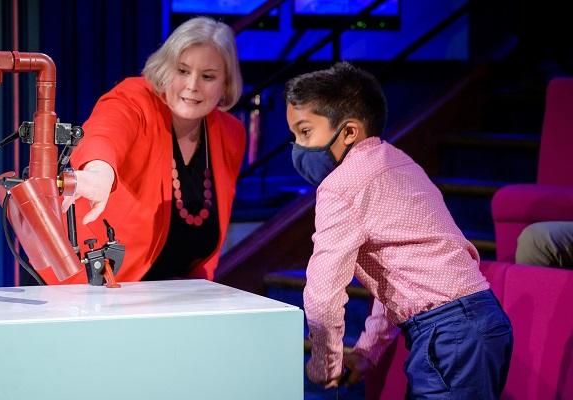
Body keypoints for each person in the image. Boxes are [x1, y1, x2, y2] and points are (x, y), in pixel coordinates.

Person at [286, 62, 513, 398]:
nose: (298, 148)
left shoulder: (340, 187)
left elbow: (322, 296)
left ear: (349, 131)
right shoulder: (400, 162)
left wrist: (325, 364)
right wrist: (367, 352)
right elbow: (395, 283)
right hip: (481, 322)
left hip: (447, 334)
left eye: (305, 132)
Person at [41, 17, 246, 284]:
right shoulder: (134, 98)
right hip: (94, 286)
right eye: (182, 71)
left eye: (208, 76)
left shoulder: (231, 134)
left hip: (179, 298)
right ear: (166, 69)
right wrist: (99, 171)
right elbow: (106, 131)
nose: (192, 85)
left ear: (226, 84)